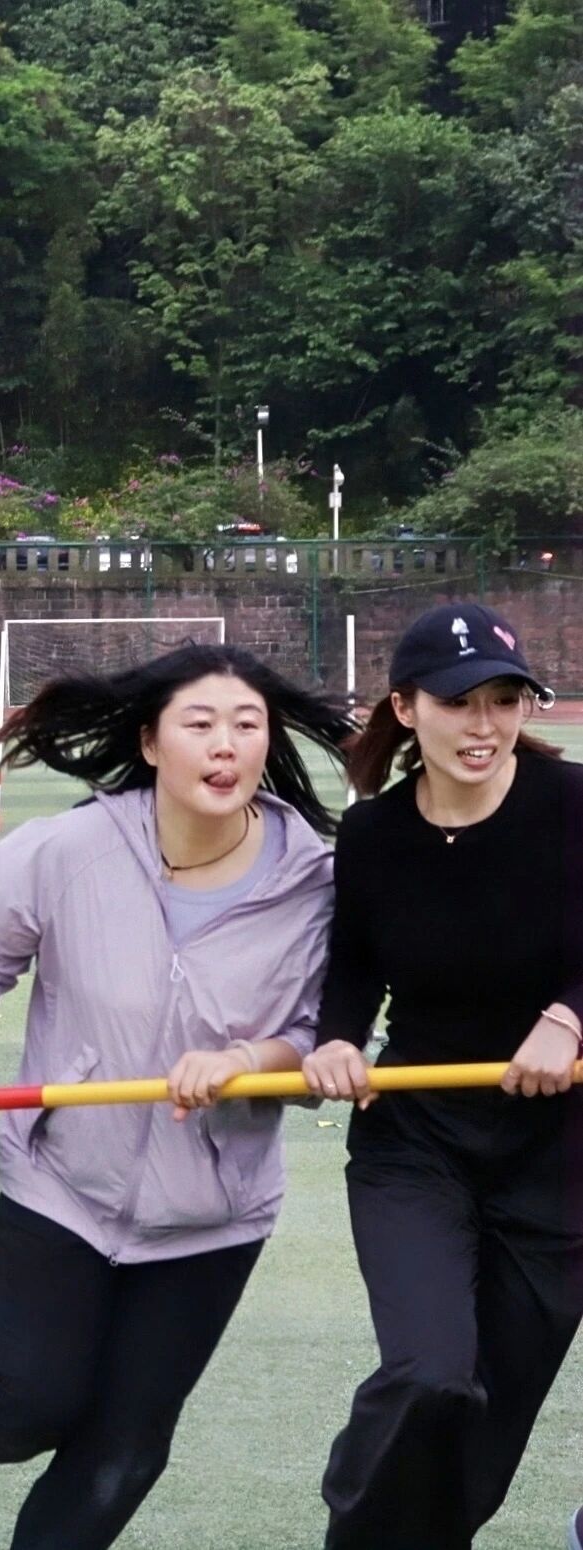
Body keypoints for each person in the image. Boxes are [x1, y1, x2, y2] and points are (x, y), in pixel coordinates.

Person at [0, 644, 353, 1548]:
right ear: (151, 742)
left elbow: (318, 1030)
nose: (225, 745)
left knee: (123, 1453)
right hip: (62, 1185)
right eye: (199, 724)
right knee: (30, 1404)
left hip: (213, 1210)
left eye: (246, 725)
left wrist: (248, 1058)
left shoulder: (313, 884)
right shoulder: (68, 850)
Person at [303, 604, 583, 1550]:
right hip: (416, 1142)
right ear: (405, 707)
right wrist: (336, 1040)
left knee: (484, 1428)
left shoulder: (571, 803)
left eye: (503, 700)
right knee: (428, 1374)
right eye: (458, 702)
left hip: (558, 1159)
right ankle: (356, 1512)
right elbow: (351, 969)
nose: (483, 724)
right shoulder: (373, 833)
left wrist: (566, 1017)